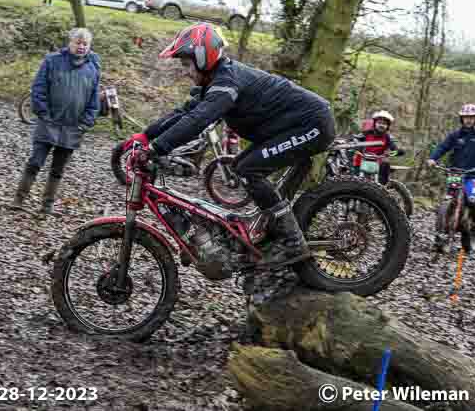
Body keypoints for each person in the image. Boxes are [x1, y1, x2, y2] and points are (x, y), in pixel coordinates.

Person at [123, 22, 336, 318]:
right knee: (241, 166)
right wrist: (146, 136)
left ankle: (292, 242)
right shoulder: (216, 82)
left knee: (250, 169)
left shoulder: (227, 82)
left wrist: (157, 149)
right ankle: (272, 234)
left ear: (202, 56)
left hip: (312, 124)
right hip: (291, 125)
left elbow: (199, 119)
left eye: (186, 62)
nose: (185, 70)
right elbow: (185, 112)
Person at [11, 27, 100, 215]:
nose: (81, 47)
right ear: (70, 43)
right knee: (35, 162)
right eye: (78, 42)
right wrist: (43, 113)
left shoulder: (93, 67)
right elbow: (38, 88)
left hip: (73, 127)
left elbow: (94, 99)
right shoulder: (53, 61)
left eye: (85, 44)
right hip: (48, 122)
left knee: (58, 169)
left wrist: (86, 122)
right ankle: (19, 199)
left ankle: (47, 206)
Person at [426, 104, 475, 249]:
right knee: (448, 199)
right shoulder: (455, 135)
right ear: (461, 119)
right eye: (465, 118)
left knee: (471, 199)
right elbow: (443, 147)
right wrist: (433, 158)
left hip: (473, 174)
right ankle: (441, 233)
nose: (468, 120)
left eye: (471, 118)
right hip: (455, 173)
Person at [352, 110, 405, 184]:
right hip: (361, 161)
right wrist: (356, 147)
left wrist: (397, 151)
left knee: (385, 164)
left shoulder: (388, 138)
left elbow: (394, 148)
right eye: (379, 123)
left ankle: (382, 188)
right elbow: (356, 140)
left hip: (377, 162)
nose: (381, 125)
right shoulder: (366, 134)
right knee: (353, 180)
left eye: (384, 124)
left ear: (387, 126)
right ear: (375, 123)